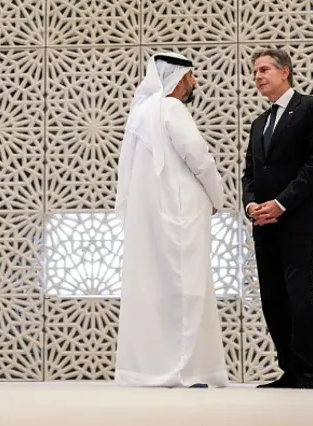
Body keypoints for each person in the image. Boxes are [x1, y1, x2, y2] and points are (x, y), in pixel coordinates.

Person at [114, 52, 228, 388]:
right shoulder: (172, 108)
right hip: (181, 213)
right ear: (178, 78)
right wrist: (217, 197)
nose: (194, 83)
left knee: (156, 290)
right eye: (191, 76)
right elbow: (199, 158)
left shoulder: (141, 112)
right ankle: (187, 370)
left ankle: (150, 367)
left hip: (149, 217)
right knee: (188, 289)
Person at [242, 48, 313, 389]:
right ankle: (289, 370)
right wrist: (252, 206)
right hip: (263, 221)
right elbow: (249, 173)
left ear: (285, 72)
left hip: (296, 218)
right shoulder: (259, 123)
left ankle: (309, 374)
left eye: (264, 69)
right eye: (254, 73)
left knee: (298, 294)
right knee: (272, 296)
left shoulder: (311, 107)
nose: (258, 77)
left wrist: (281, 204)